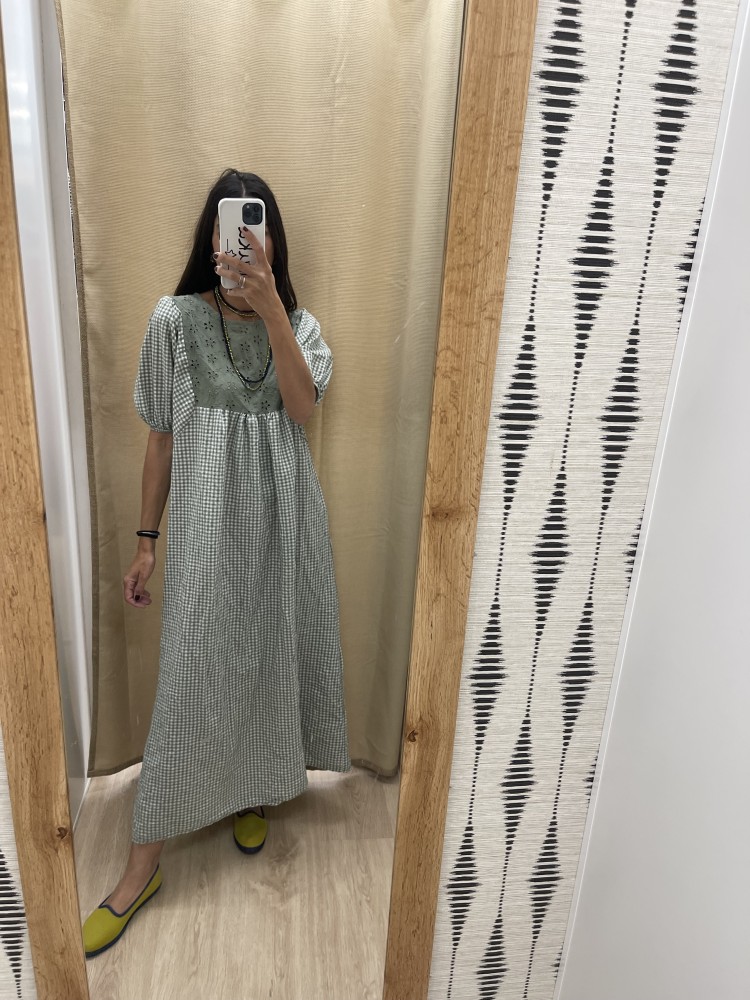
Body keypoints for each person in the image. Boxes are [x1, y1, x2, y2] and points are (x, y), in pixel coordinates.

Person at [82, 169, 350, 958]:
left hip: (285, 524)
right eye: (228, 229)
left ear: (271, 242)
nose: (239, 243)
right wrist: (146, 541)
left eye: (253, 230)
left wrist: (271, 309)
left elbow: (302, 408)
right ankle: (142, 868)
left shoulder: (300, 325)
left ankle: (252, 791)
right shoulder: (172, 320)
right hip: (205, 531)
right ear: (211, 239)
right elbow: (160, 439)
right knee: (193, 673)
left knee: (267, 658)